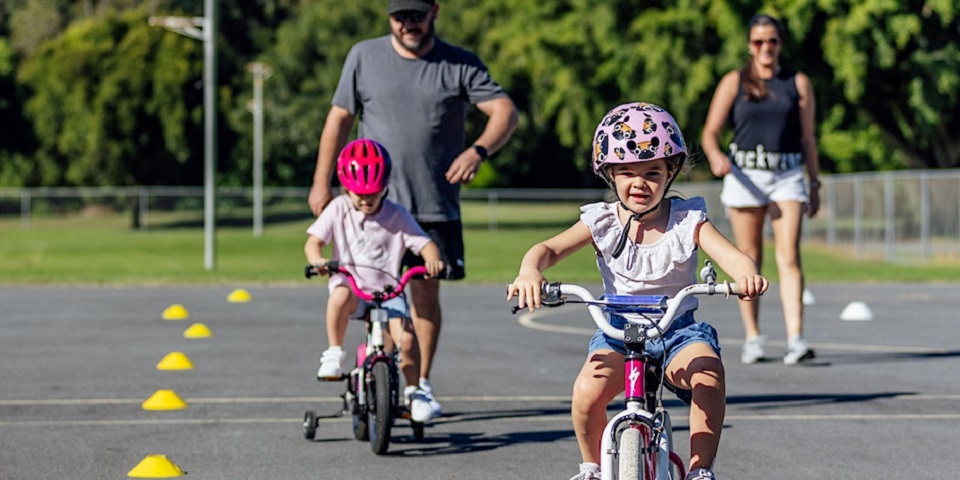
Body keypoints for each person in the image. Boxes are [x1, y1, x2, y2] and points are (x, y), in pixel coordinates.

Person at [507, 102, 769, 480]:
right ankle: (592, 467)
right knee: (586, 392)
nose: (639, 183)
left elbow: (734, 257)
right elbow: (547, 250)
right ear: (610, 174)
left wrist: (747, 275)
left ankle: (700, 471)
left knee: (708, 376)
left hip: (677, 330)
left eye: (651, 172)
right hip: (618, 332)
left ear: (671, 171)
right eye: (627, 173)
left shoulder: (686, 219)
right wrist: (530, 271)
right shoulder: (603, 221)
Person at [307, 0, 519, 417]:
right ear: (388, 17)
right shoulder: (364, 56)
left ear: (434, 12)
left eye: (417, 16)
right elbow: (339, 120)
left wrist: (478, 151)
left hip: (433, 206)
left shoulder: (458, 63)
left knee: (422, 296)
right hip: (373, 208)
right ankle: (378, 377)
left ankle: (416, 386)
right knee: (369, 292)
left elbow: (505, 112)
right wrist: (321, 182)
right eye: (400, 17)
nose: (408, 25)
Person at [701, 13, 821, 365]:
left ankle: (796, 338)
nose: (765, 47)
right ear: (749, 46)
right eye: (758, 41)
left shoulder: (797, 83)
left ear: (780, 44)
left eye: (772, 41)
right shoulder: (734, 82)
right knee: (749, 257)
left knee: (789, 256)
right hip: (744, 177)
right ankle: (753, 337)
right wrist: (714, 156)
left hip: (786, 174)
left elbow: (808, 138)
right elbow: (710, 132)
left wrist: (814, 183)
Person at [305, 139, 446, 423]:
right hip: (353, 287)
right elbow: (313, 243)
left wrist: (433, 259)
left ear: (386, 186)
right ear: (346, 187)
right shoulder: (339, 208)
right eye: (359, 194)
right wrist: (317, 260)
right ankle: (334, 352)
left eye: (373, 193)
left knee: (406, 340)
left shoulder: (397, 215)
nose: (366, 200)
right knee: (339, 297)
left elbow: (424, 243)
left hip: (389, 291)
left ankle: (415, 391)